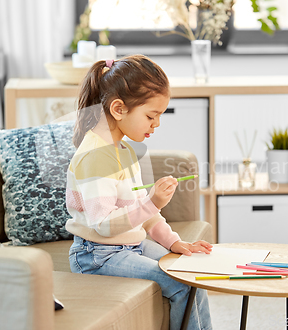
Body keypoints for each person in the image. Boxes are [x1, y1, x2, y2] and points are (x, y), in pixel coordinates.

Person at [66, 54, 213, 330]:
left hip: (128, 246)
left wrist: (173, 242)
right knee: (181, 284)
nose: (156, 124)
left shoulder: (124, 150)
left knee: (192, 275)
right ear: (119, 109)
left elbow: (143, 214)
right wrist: (152, 202)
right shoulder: (95, 156)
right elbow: (104, 224)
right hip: (97, 256)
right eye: (150, 115)